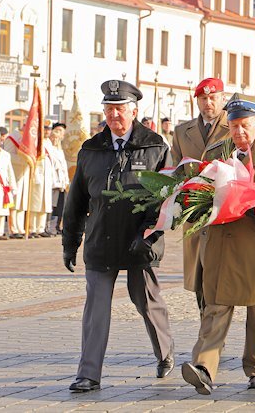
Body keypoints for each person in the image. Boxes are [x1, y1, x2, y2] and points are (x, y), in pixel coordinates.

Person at [62, 80, 174, 392]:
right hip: (101, 241)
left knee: (147, 302)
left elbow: (167, 201)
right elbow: (75, 202)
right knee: (96, 309)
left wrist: (149, 236)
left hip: (139, 241)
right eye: (109, 109)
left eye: (120, 109)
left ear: (134, 111)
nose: (114, 115)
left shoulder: (155, 147)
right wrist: (70, 243)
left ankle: (165, 353)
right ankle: (88, 373)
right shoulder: (91, 149)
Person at [181, 93, 255, 394]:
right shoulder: (216, 154)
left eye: (245, 125)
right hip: (222, 243)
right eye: (234, 126)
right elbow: (199, 191)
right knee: (216, 306)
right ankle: (204, 367)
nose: (239, 133)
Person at [170, 78, 230, 317]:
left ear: (223, 99)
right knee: (199, 275)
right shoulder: (182, 132)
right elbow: (175, 170)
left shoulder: (234, 126)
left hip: (225, 212)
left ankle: (214, 332)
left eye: (213, 98)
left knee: (223, 275)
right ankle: (207, 322)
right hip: (194, 213)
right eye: (203, 98)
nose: (208, 103)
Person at [27, 120, 54, 238]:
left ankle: (40, 228)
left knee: (45, 203)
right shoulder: (36, 142)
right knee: (35, 203)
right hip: (38, 175)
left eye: (49, 129)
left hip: (47, 176)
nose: (47, 131)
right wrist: (36, 175)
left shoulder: (49, 142)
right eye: (45, 129)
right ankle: (32, 228)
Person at [3, 131, 30, 239]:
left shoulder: (29, 138)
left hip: (24, 174)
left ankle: (20, 228)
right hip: (15, 173)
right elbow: (9, 156)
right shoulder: (12, 138)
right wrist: (25, 160)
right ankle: (13, 228)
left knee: (22, 203)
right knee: (14, 203)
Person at [45, 123, 69, 236]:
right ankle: (46, 226)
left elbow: (63, 167)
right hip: (52, 181)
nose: (55, 139)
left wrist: (66, 181)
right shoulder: (49, 149)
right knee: (50, 205)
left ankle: (58, 225)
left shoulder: (59, 150)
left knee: (61, 206)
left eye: (57, 138)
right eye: (53, 137)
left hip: (61, 182)